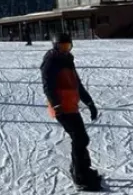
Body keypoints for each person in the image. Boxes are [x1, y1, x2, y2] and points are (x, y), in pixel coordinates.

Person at [41, 33, 102, 191]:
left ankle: (82, 169)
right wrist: (56, 106)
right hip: (61, 107)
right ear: (55, 46)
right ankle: (80, 176)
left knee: (81, 139)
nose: (65, 50)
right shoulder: (51, 61)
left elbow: (77, 83)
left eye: (68, 47)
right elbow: (48, 86)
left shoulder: (68, 60)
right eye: (62, 47)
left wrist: (89, 102)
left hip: (71, 105)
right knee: (80, 138)